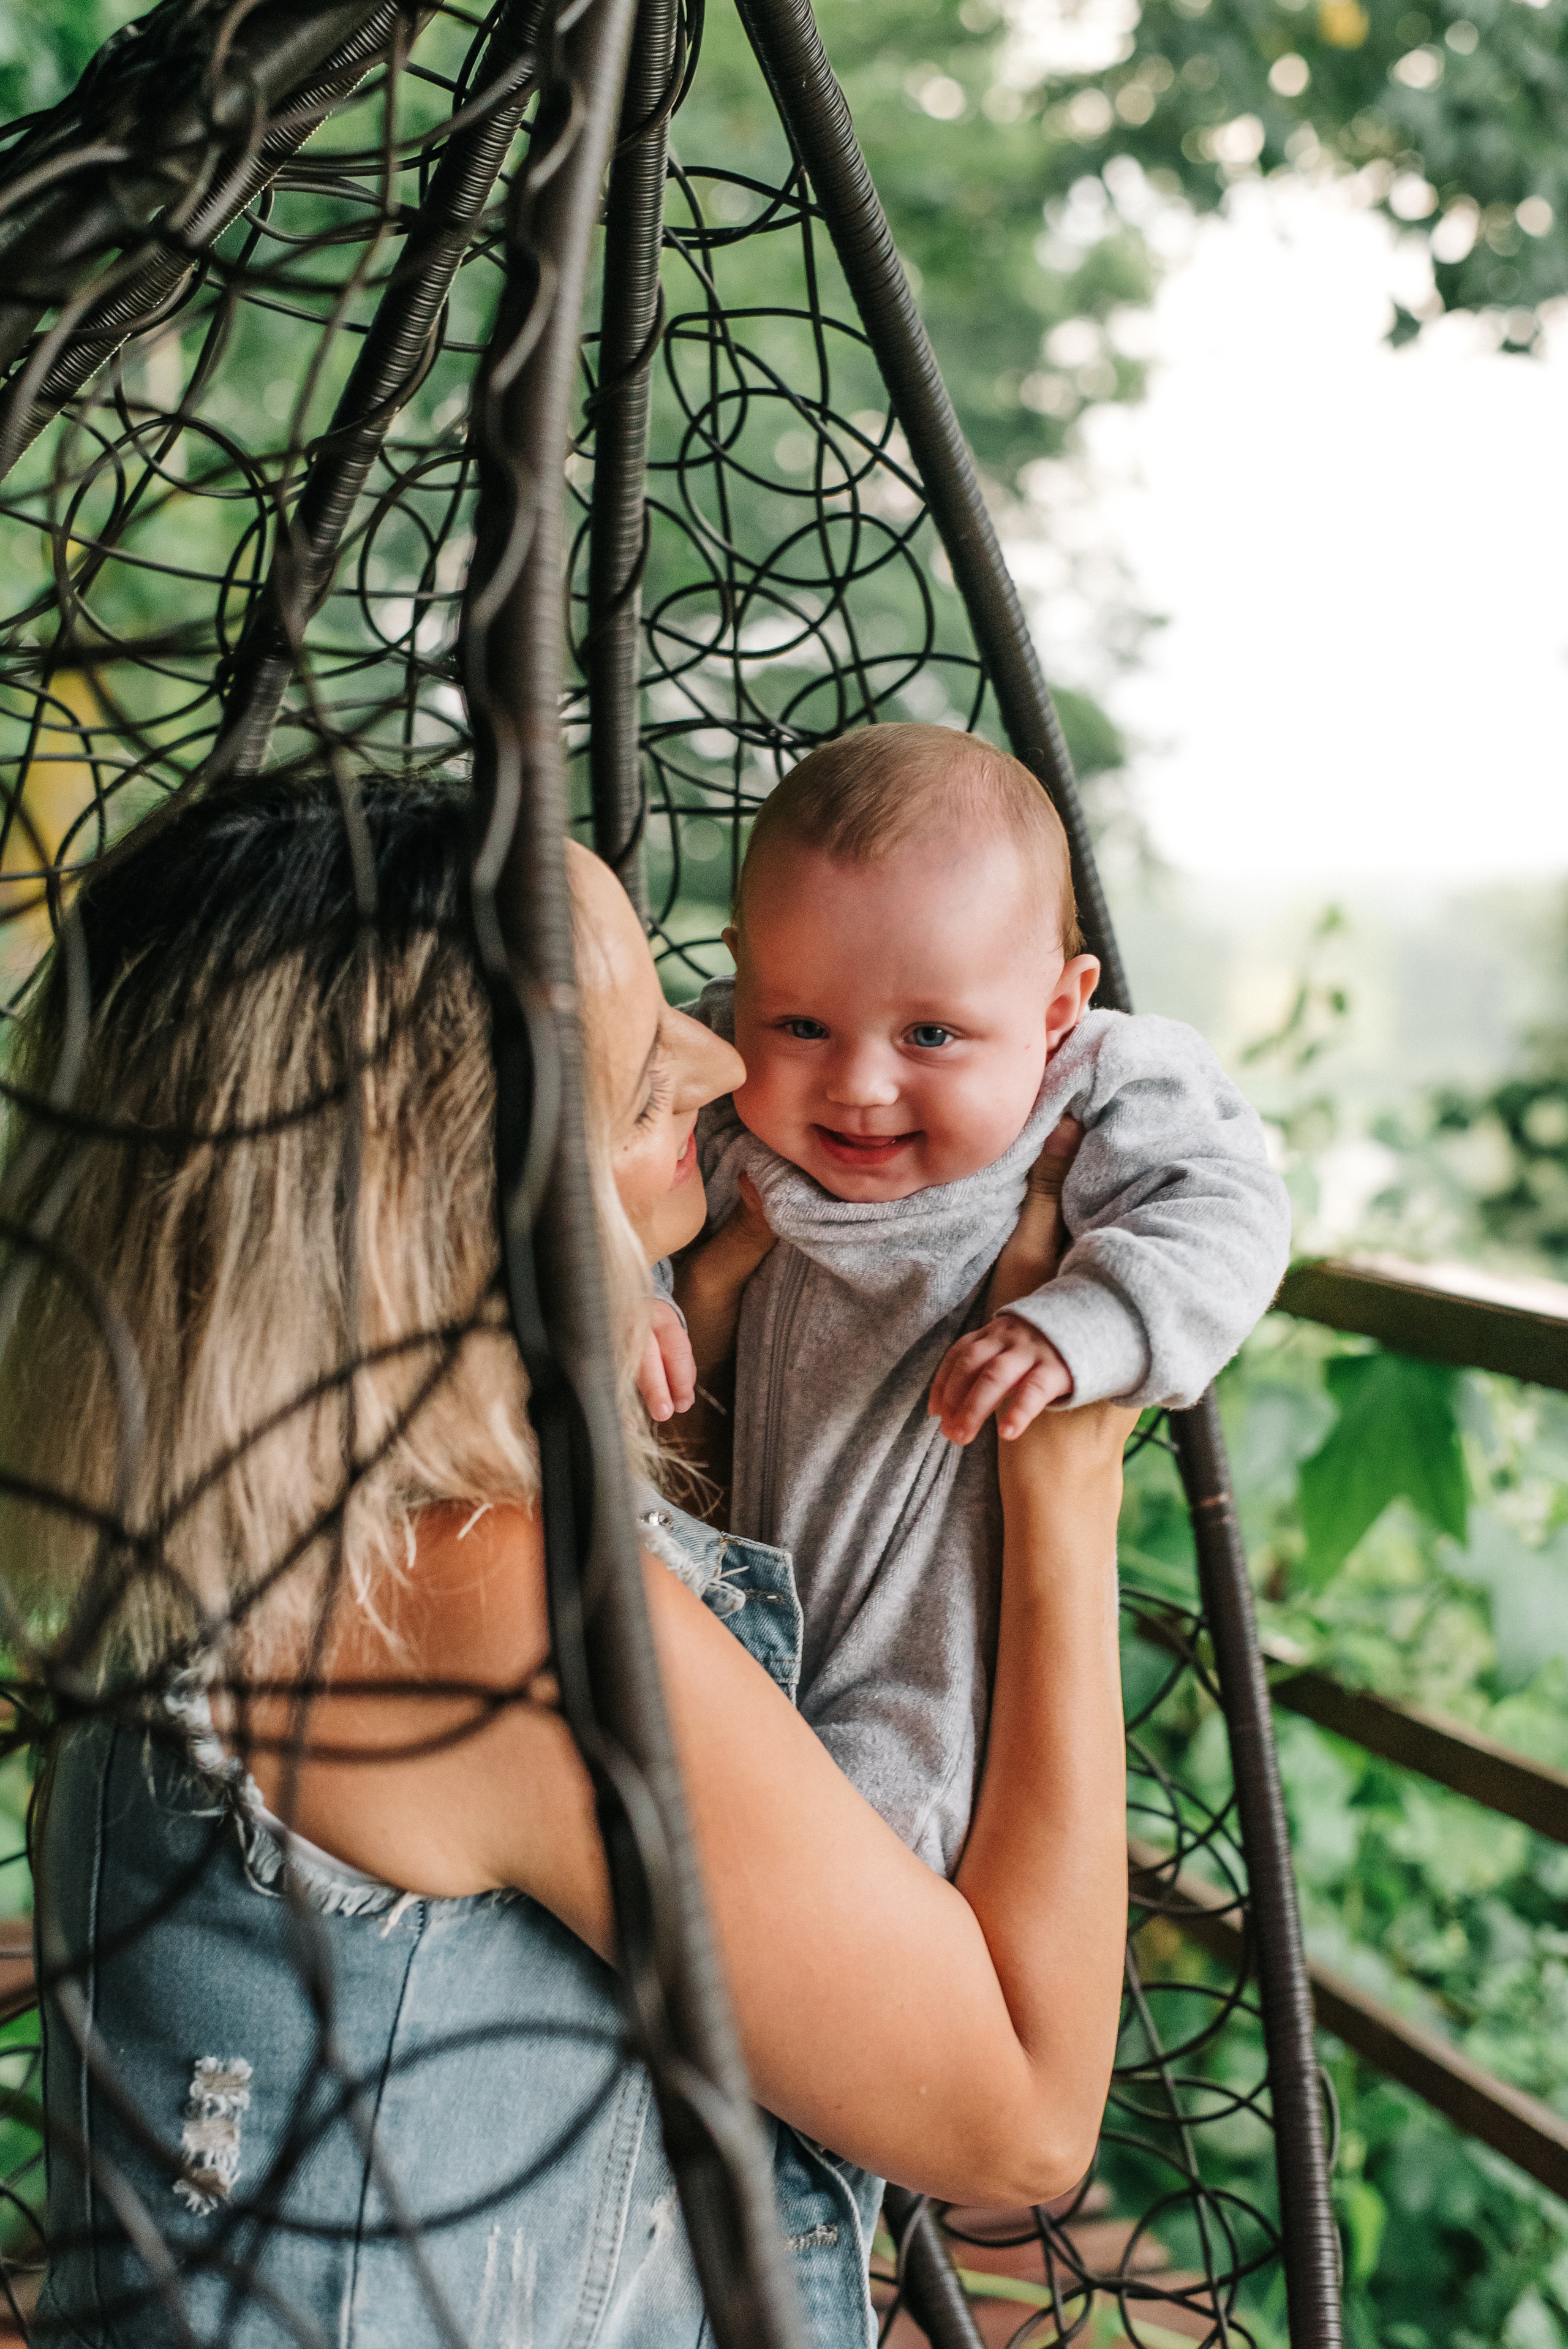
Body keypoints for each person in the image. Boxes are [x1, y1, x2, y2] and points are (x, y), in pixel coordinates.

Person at [4, 771, 1132, 2349]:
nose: (725, 1056)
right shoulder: (477, 1592)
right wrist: (1066, 1499)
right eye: (630, 1053)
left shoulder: (221, 1509)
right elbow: (1017, 2113)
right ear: (441, 1174)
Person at [652, 721, 1291, 1876]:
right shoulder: (715, 1072)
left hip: (929, 1657)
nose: (858, 1084)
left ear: (1056, 1009)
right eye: (800, 1022)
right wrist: (633, 1290)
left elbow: (1228, 1207)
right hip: (720, 1594)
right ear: (744, 975)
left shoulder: (1092, 1088)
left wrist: (1082, 1323)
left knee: (841, 1865)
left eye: (932, 1034)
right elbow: (598, 1175)